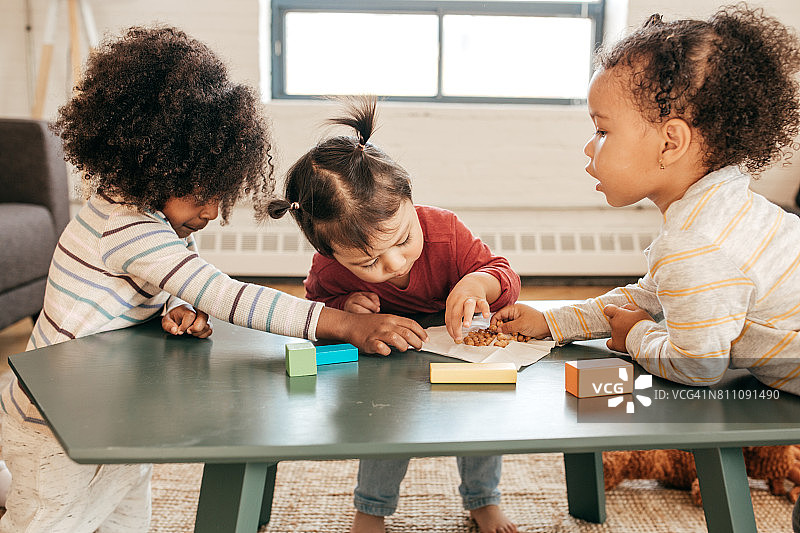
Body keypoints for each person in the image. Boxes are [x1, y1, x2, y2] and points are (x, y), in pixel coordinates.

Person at [0, 27, 427, 533]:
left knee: (125, 518)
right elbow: (227, 295)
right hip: (57, 422)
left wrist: (172, 307)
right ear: (151, 170)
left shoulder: (155, 220)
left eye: (220, 192)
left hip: (112, 413)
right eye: (201, 194)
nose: (213, 210)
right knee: (50, 521)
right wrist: (343, 326)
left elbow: (158, 287)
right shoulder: (125, 228)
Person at [492, 4, 800, 396]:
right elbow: (651, 294)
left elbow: (698, 367)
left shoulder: (695, 244)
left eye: (602, 131)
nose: (589, 147)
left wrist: (635, 334)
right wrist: (553, 323)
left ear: (670, 143)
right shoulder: (721, 207)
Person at [268, 96, 520, 533]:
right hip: (387, 357)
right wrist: (344, 309)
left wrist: (476, 283)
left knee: (482, 411)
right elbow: (313, 313)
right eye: (367, 263)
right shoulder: (329, 266)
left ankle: (483, 499)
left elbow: (504, 274)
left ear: (410, 199)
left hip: (454, 344)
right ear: (329, 253)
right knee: (384, 426)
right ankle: (371, 509)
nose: (394, 264)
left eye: (403, 239)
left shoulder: (444, 230)